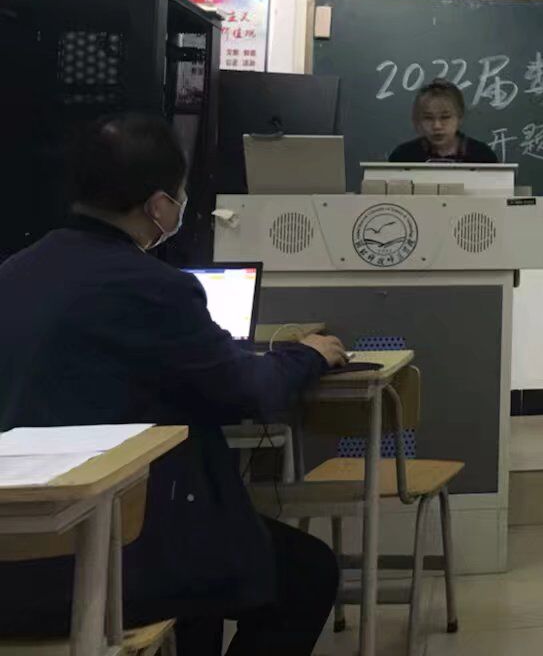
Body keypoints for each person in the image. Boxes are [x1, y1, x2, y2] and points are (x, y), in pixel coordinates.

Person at [0, 114, 348, 655]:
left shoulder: (13, 274)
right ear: (160, 206)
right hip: (102, 559)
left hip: (13, 556)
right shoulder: (155, 287)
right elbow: (246, 390)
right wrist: (306, 356)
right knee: (306, 572)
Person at [388, 79, 499, 164]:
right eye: (428, 118)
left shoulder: (482, 156)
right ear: (418, 120)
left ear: (460, 118)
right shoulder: (403, 156)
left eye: (445, 117)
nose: (437, 126)